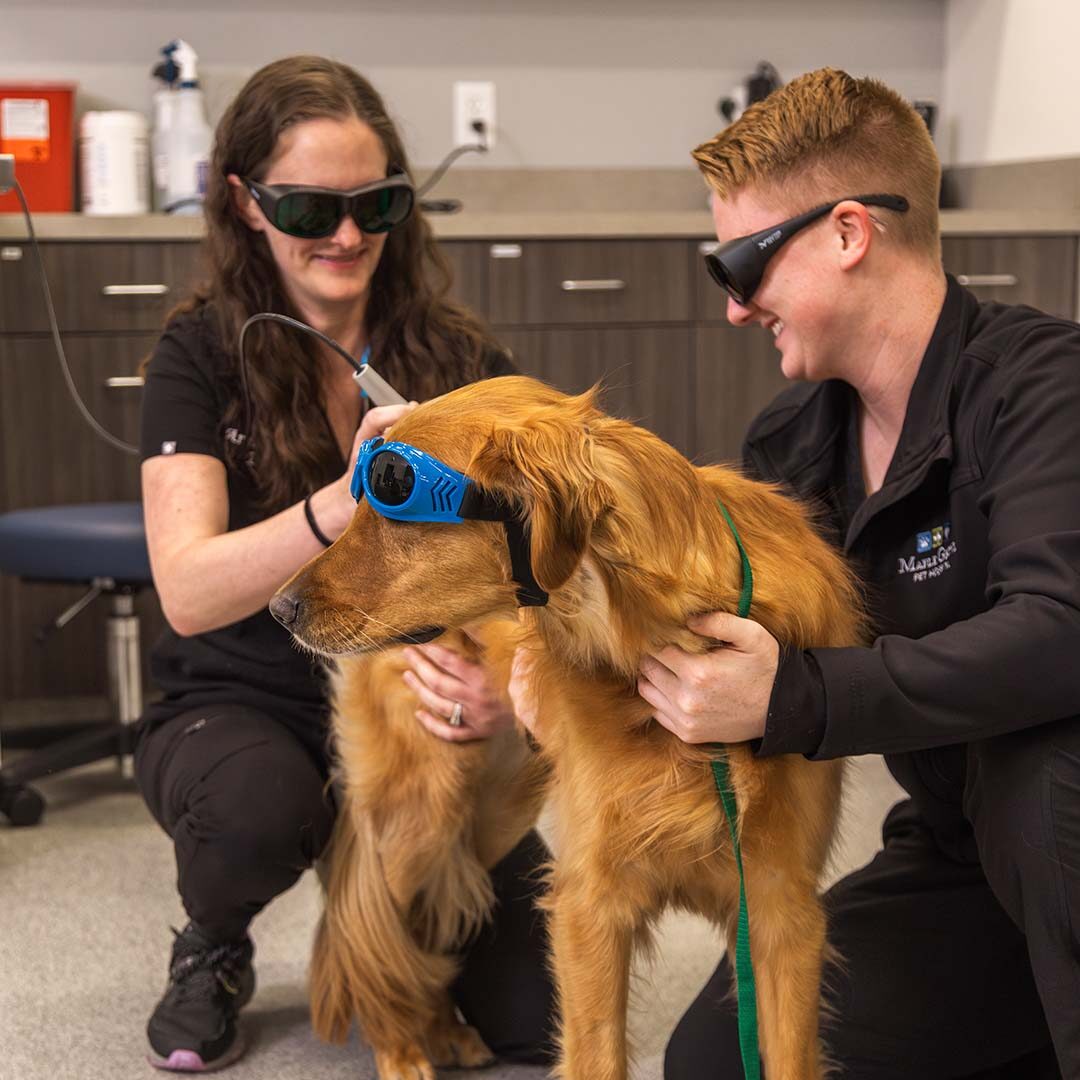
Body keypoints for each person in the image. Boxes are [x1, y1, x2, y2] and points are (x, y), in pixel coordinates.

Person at [618, 68, 1079, 1079]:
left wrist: (801, 695)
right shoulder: (791, 445)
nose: (736, 310)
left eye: (743, 265)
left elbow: (1060, 633)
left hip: (1061, 815)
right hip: (962, 853)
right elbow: (717, 639)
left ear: (848, 233)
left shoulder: (1046, 387)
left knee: (1041, 784)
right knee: (723, 1062)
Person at [135, 55, 554, 1073]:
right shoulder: (199, 357)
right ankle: (213, 944)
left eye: (378, 204)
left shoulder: (460, 358)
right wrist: (346, 499)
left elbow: (546, 557)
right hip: (246, 698)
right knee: (256, 812)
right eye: (311, 208)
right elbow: (187, 591)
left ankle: (386, 917)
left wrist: (510, 691)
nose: (350, 235)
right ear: (246, 203)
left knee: (533, 1022)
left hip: (420, 712)